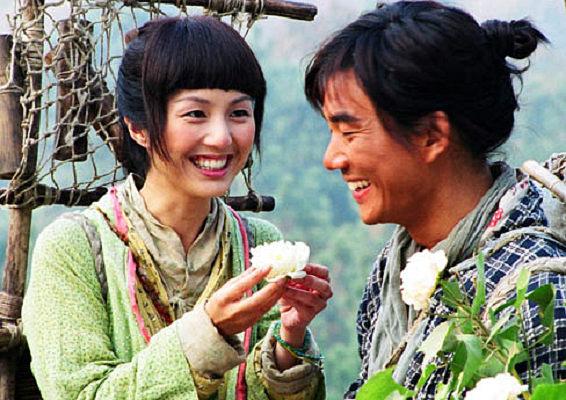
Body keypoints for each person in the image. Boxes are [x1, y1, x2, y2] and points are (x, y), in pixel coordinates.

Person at [22, 16, 331, 399]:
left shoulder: (258, 242)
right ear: (138, 127)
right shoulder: (74, 249)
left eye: (239, 113)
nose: (221, 138)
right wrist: (208, 333)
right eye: (195, 114)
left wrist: (290, 336)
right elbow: (82, 394)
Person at [304, 1, 565, 398]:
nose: (331, 158)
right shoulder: (395, 270)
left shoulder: (536, 294)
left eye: (349, 133)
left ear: (431, 136)